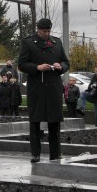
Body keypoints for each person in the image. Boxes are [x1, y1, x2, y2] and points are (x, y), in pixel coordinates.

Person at [17, 18, 70, 163]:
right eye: (44, 31)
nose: (46, 34)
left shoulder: (57, 42)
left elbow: (66, 62)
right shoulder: (28, 42)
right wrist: (36, 67)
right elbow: (21, 64)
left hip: (53, 86)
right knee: (35, 122)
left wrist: (61, 67)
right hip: (37, 87)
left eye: (48, 31)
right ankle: (35, 154)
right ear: (38, 29)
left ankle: (56, 154)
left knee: (54, 123)